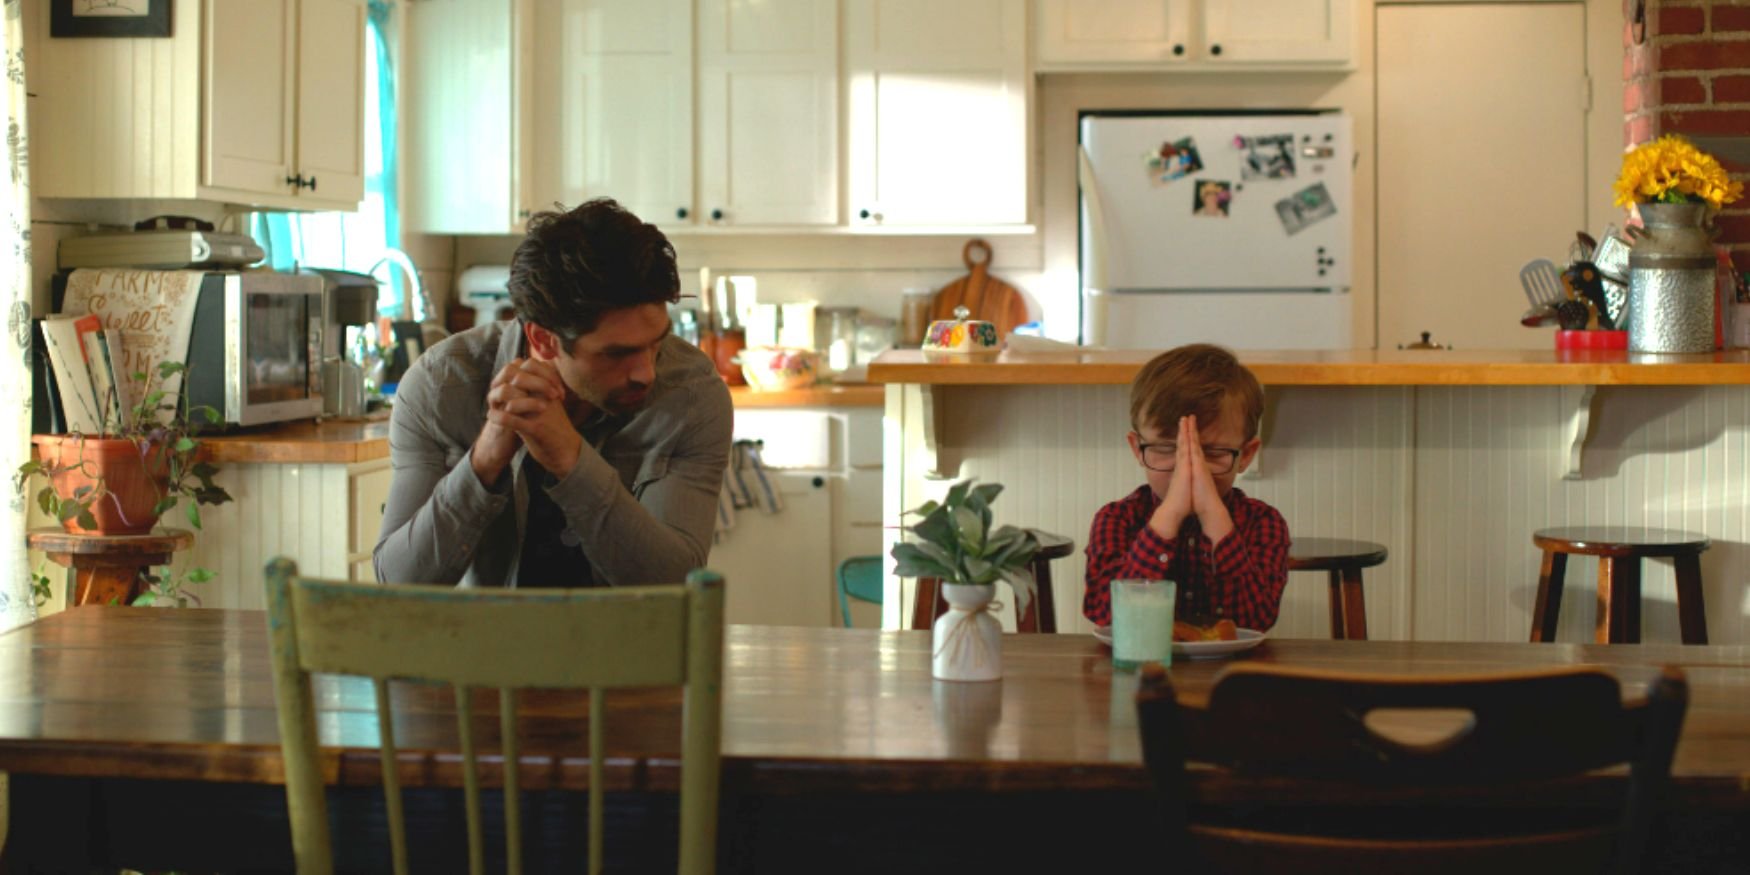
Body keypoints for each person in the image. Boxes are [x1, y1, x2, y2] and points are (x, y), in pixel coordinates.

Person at [374, 198, 732, 589]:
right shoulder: (440, 387)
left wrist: (570, 460)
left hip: (629, 645)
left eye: (656, 342)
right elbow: (399, 582)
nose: (646, 372)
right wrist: (484, 460)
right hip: (482, 645)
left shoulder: (692, 396)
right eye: (616, 353)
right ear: (543, 340)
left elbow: (673, 585)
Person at [1082, 344, 1289, 630]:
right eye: (1168, 449)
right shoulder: (1116, 519)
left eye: (1213, 454)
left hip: (1231, 671)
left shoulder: (1263, 522)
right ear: (1137, 448)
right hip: (1140, 669)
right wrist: (1169, 516)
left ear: (1247, 454)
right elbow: (1107, 617)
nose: (1189, 470)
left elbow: (1256, 620)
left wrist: (1214, 516)